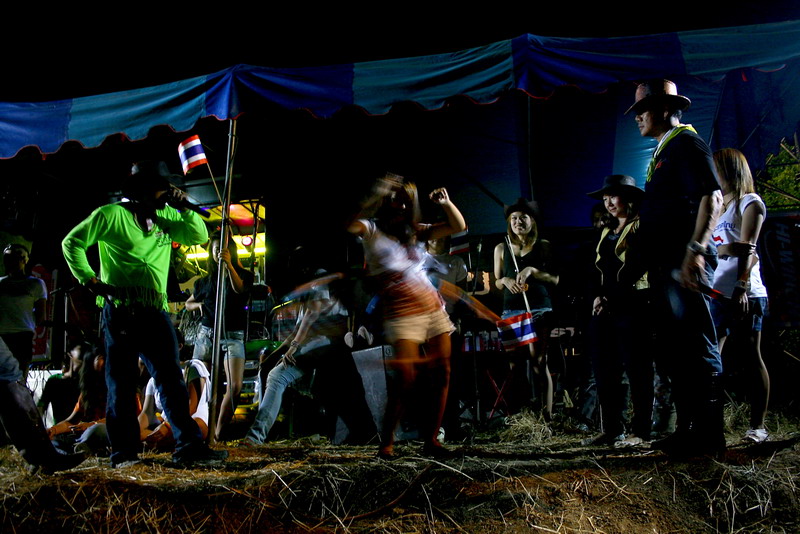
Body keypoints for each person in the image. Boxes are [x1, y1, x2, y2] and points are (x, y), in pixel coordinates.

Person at [61, 160, 228, 467]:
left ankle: (189, 448)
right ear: (143, 190)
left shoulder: (167, 215)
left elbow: (198, 235)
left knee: (171, 380)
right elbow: (71, 243)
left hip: (155, 310)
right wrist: (92, 282)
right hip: (121, 311)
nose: (168, 193)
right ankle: (124, 454)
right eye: (162, 188)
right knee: (122, 384)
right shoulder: (110, 215)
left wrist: (185, 208)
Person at [629, 79, 725, 457]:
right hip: (666, 264)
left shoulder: (687, 143)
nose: (637, 117)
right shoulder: (664, 150)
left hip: (684, 260)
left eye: (643, 109)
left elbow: (712, 197)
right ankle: (687, 431)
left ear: (665, 109)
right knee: (676, 348)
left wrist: (695, 251)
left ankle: (710, 436)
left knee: (697, 343)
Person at [347, 174, 466, 458]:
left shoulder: (414, 231)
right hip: (401, 310)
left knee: (442, 372)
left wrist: (446, 203)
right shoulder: (371, 228)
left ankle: (432, 441)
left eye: (405, 201)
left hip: (431, 307)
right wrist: (378, 192)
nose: (400, 205)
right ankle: (386, 444)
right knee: (406, 377)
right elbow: (350, 225)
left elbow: (458, 226)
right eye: (394, 200)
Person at [245, 270, 376, 445]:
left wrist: (293, 347)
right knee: (318, 389)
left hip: (324, 348)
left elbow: (311, 315)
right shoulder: (306, 300)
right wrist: (275, 355)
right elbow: (296, 332)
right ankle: (259, 435)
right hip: (314, 350)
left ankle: (255, 437)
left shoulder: (320, 288)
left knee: (281, 378)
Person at [586, 175, 653, 446]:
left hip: (634, 305)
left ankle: (641, 430)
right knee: (604, 368)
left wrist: (612, 297)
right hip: (606, 307)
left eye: (613, 196)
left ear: (628, 198)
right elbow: (598, 269)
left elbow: (638, 266)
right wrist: (597, 296)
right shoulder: (607, 230)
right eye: (605, 198)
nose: (608, 203)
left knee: (637, 369)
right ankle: (612, 428)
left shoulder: (642, 227)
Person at [710, 148, 770, 443]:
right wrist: (722, 250)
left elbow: (749, 249)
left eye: (715, 168)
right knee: (711, 358)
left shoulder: (750, 202)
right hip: (715, 292)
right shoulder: (717, 206)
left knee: (751, 356)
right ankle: (710, 425)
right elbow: (717, 249)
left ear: (729, 169)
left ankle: (757, 426)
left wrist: (742, 286)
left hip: (744, 292)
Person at [185, 229, 253, 441]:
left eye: (222, 249)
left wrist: (230, 266)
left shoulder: (244, 275)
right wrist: (198, 306)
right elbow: (188, 303)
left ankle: (219, 432)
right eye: (215, 249)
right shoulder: (205, 281)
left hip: (233, 335)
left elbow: (239, 290)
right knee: (206, 386)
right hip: (207, 335)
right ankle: (206, 430)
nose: (218, 253)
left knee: (235, 386)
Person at [493, 198, 558, 418]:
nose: (518, 222)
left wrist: (532, 271)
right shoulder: (501, 248)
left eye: (523, 217)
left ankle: (547, 415)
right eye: (514, 218)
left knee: (539, 361)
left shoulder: (543, 246)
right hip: (511, 309)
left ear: (532, 221)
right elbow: (497, 281)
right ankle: (520, 414)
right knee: (515, 366)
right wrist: (505, 281)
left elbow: (555, 279)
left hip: (538, 308)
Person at [0, 336, 86, 472]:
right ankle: (41, 456)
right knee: (8, 371)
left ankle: (39, 456)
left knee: (8, 371)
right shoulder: (55, 381)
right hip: (64, 434)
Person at [139, 357, 211, 451]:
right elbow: (147, 412)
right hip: (165, 426)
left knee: (192, 428)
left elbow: (192, 406)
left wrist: (168, 425)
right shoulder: (154, 379)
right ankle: (155, 443)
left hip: (190, 422)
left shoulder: (192, 367)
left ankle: (153, 443)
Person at [0, 243, 48, 381]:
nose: (9, 262)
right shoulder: (1, 282)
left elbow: (40, 315)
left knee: (19, 377)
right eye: (7, 258)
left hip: (22, 335)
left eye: (14, 258)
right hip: (2, 336)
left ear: (24, 260)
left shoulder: (35, 283)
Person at [39, 339, 86, 426]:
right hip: (60, 431)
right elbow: (41, 407)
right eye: (81, 358)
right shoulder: (54, 381)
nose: (84, 362)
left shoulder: (87, 383)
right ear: (70, 355)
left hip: (81, 430)